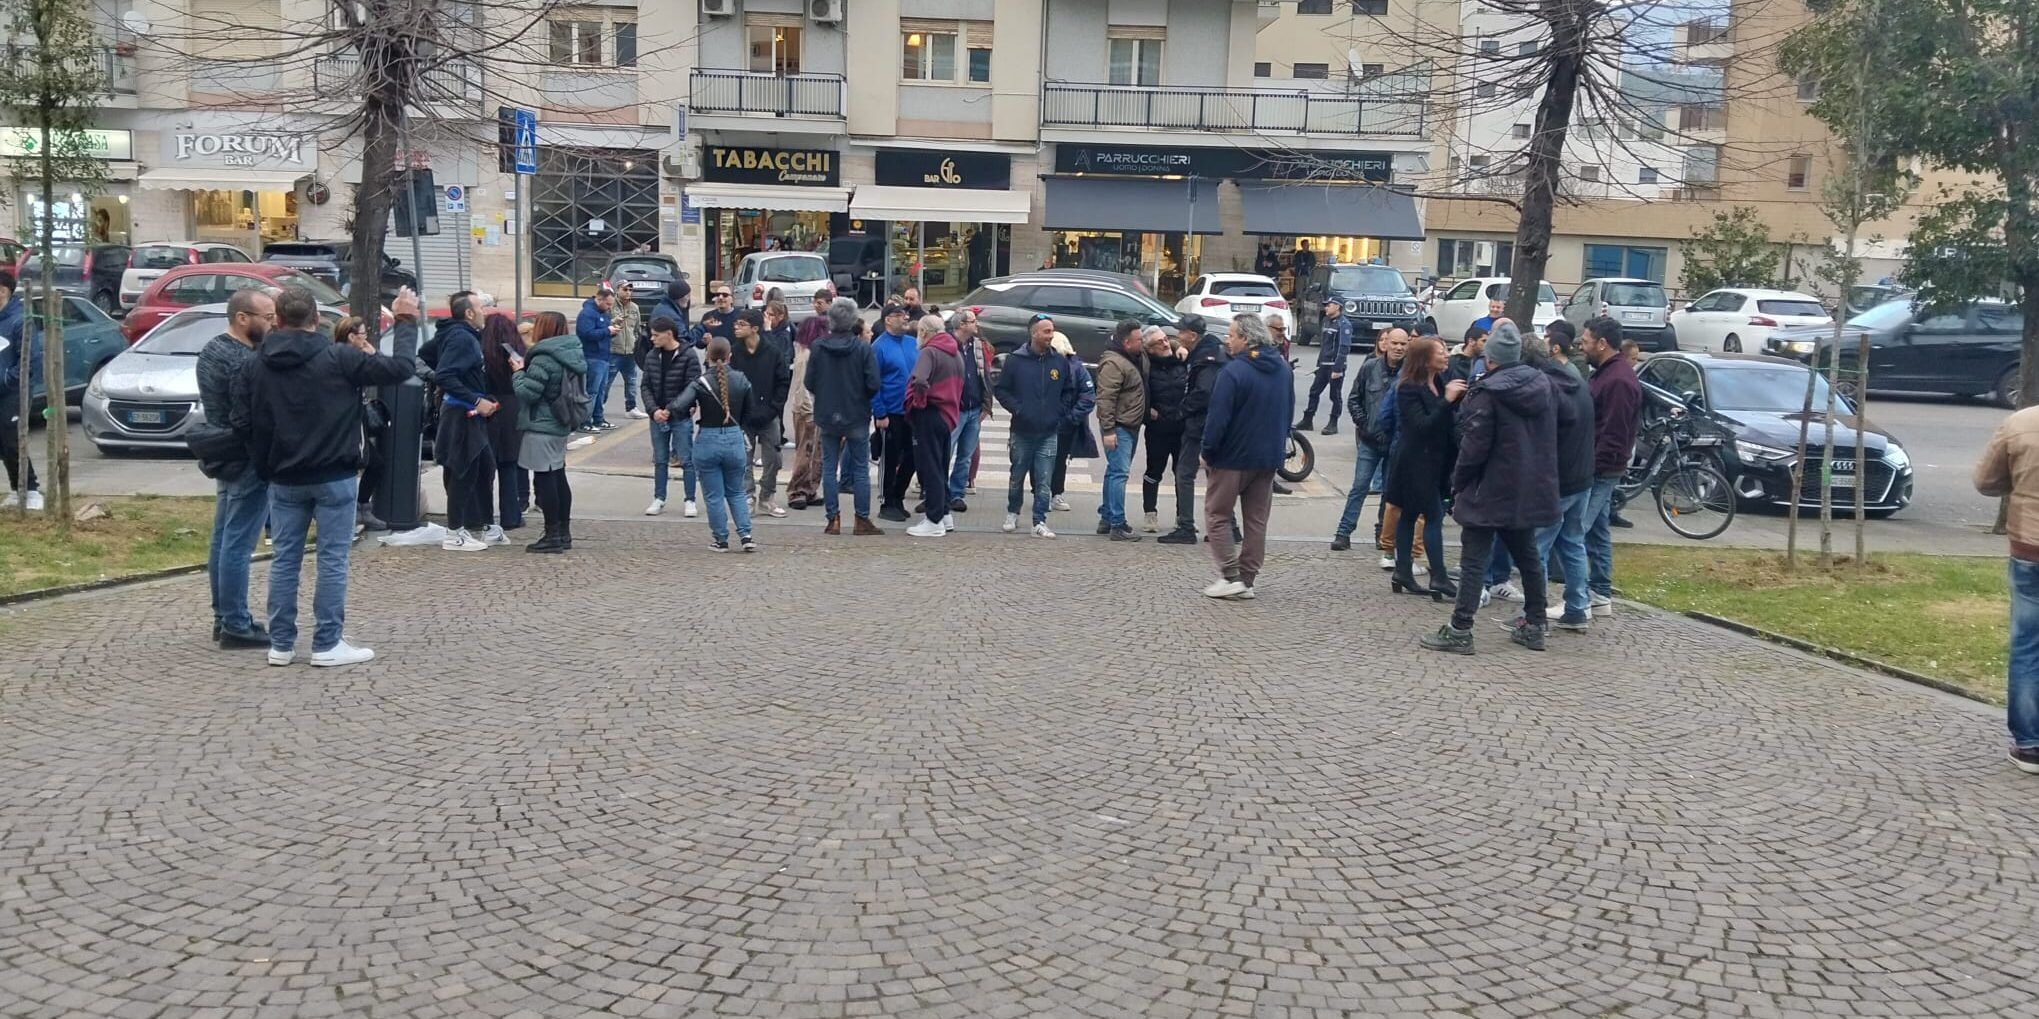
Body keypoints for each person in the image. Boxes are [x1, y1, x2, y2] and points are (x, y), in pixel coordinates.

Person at [233, 286, 413, 668]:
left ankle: (281, 643)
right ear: (316, 319)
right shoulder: (340, 358)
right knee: (331, 559)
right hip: (334, 472)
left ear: (277, 320)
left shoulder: (255, 361)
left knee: (285, 560)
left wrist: (264, 462)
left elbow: (242, 420)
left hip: (283, 475)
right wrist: (406, 319)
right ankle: (327, 642)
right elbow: (400, 370)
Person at [1422, 321, 1559, 654]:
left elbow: (1474, 446)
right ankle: (1536, 624)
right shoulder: (1542, 385)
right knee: (1527, 557)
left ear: (1491, 359)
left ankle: (1460, 629)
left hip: (1489, 487)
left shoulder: (1488, 392)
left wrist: (1459, 482)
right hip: (1527, 485)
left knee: (1473, 560)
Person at [196, 286, 276, 650]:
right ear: (242, 318)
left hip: (225, 453)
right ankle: (235, 624)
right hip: (245, 457)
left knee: (224, 538)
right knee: (237, 542)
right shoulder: (241, 359)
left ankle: (223, 616)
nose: (273, 324)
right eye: (268, 318)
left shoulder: (214, 348)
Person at [1199, 313, 1294, 600]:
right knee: (1256, 520)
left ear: (1245, 338)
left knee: (1217, 514)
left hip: (1232, 457)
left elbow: (1218, 419)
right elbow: (1288, 413)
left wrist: (1207, 451)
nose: (1227, 340)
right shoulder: (1282, 368)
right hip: (1267, 457)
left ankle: (1231, 576)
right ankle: (1248, 580)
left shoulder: (1233, 371)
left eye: (1231, 335)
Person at [1973, 407, 2039, 774]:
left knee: (2028, 644)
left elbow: (1985, 480)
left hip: (2031, 548)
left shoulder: (2021, 423)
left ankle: (2030, 744)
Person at [1526, 328, 1597, 632]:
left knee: (1536, 549)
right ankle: (1577, 608)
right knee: (1573, 544)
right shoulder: (1576, 381)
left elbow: (1542, 438)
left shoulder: (1547, 388)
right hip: (1582, 475)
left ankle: (1535, 616)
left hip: (1557, 481)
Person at [1384, 335, 1463, 598]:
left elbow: (1445, 422)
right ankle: (1438, 576)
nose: (1446, 355)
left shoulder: (1439, 382)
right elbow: (1421, 426)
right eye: (1441, 351)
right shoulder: (1408, 387)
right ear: (1425, 359)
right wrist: (1447, 400)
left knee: (1410, 514)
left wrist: (1454, 399)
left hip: (1435, 462)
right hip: (1414, 463)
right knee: (1433, 515)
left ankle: (1402, 571)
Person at [671, 336, 758, 552]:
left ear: (707, 356)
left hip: (708, 439)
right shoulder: (741, 379)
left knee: (714, 495)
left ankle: (721, 539)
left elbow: (679, 406)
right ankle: (746, 535)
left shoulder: (700, 382)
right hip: (734, 438)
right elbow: (750, 413)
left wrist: (689, 409)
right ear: (730, 356)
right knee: (737, 492)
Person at [807, 297, 885, 535]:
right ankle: (861, 519)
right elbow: (873, 383)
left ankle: (833, 519)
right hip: (856, 413)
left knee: (830, 467)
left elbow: (809, 381)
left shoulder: (819, 346)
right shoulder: (862, 348)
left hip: (827, 413)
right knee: (860, 468)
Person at [995, 314, 1077, 538]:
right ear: (1034, 333)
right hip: (1022, 430)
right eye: (1046, 331)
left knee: (1044, 479)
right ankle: (1013, 511)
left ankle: (1039, 520)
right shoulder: (1016, 360)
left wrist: (1058, 411)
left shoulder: (1058, 361)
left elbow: (1069, 390)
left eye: (1052, 331)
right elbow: (1001, 389)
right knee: (1017, 474)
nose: (1051, 335)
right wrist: (1018, 409)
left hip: (1049, 431)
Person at [512, 311, 588, 553]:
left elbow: (528, 393)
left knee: (545, 479)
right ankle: (564, 532)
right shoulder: (571, 352)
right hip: (561, 422)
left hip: (542, 424)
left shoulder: (543, 358)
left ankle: (552, 534)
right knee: (558, 476)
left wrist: (517, 372)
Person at [1581, 316, 1640, 618]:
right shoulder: (1607, 373)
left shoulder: (1617, 379)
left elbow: (1614, 431)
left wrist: (1593, 465)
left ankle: (1577, 599)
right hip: (1601, 463)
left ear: (1602, 343)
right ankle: (1600, 592)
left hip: (1601, 467)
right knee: (1598, 530)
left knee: (1575, 530)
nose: (1582, 345)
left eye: (1586, 341)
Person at [434, 291, 502, 552]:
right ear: (469, 313)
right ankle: (454, 533)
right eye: (481, 308)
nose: (485, 312)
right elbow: (445, 374)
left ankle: (487, 527)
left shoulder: (457, 334)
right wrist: (475, 400)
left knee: (485, 467)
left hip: (467, 413)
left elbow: (431, 357)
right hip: (461, 415)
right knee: (463, 470)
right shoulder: (462, 338)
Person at [1331, 327, 1407, 553]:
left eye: (1403, 344)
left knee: (1389, 492)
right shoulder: (1369, 367)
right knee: (1359, 487)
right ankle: (1343, 532)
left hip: (1395, 442)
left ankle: (1382, 533)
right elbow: (1354, 399)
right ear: (1386, 344)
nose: (1398, 348)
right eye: (1395, 343)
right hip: (1370, 440)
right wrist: (1364, 425)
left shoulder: (1411, 372)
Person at [1158, 315, 1227, 545]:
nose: (1178, 336)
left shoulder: (1207, 359)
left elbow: (1203, 393)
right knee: (1215, 476)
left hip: (1200, 425)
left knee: (1185, 474)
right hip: (1210, 423)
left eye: (1181, 332)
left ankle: (1186, 527)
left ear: (1193, 335)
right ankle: (1230, 528)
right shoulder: (1210, 350)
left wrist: (1182, 411)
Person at [904, 314, 964, 538]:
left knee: (929, 467)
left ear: (924, 332)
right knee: (940, 465)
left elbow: (919, 379)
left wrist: (918, 402)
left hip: (929, 413)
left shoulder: (929, 352)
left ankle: (934, 519)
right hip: (947, 415)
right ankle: (944, 513)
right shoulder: (955, 352)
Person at [727, 309, 791, 517]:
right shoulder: (734, 353)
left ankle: (767, 496)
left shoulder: (773, 351)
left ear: (755, 328)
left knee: (773, 457)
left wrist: (773, 408)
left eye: (741, 324)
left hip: (769, 414)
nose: (736, 327)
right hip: (744, 416)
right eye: (736, 324)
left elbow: (783, 382)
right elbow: (729, 382)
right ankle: (748, 496)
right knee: (743, 459)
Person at [640, 316, 701, 516]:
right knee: (660, 459)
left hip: (680, 416)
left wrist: (671, 409)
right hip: (657, 415)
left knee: (686, 459)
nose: (652, 338)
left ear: (669, 334)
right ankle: (659, 497)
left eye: (656, 335)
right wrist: (654, 410)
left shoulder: (688, 355)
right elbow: (645, 386)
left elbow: (692, 387)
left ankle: (690, 499)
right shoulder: (651, 356)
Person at [1093, 318, 1148, 541]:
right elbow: (1105, 399)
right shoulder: (1114, 364)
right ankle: (1117, 523)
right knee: (1119, 473)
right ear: (1126, 342)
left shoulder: (1133, 356)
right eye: (1139, 339)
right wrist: (1108, 430)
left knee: (1113, 471)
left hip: (1130, 424)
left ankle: (1107, 517)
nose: (1142, 343)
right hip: (1120, 426)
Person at [479, 312, 529, 530]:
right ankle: (511, 516)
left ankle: (484, 516)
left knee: (485, 469)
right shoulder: (518, 352)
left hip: (487, 406)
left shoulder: (482, 352)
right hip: (512, 409)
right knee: (509, 465)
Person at [785, 288, 833, 509]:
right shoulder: (807, 355)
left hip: (813, 408)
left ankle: (810, 488)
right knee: (806, 451)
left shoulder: (809, 352)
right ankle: (797, 490)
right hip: (808, 410)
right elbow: (803, 388)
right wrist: (809, 411)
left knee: (816, 452)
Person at [870, 302, 919, 521]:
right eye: (899, 314)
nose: (905, 317)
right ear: (888, 319)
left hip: (913, 410)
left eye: (906, 314)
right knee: (889, 458)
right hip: (890, 412)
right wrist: (880, 413)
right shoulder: (879, 347)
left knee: (913, 456)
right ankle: (886, 501)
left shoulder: (912, 343)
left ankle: (898, 494)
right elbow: (873, 383)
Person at [945, 308, 995, 516]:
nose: (977, 325)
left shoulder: (977, 346)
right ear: (962, 325)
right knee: (945, 452)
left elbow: (985, 375)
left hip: (974, 408)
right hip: (954, 409)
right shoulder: (948, 345)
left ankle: (957, 493)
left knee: (965, 455)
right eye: (973, 321)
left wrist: (986, 404)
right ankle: (940, 492)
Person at [1140, 325, 1188, 533]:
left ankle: (1182, 516)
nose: (1165, 343)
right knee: (1154, 471)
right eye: (1159, 342)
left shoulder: (1181, 360)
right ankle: (1150, 513)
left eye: (1165, 339)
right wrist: (1146, 410)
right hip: (1158, 428)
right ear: (1150, 349)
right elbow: (1137, 391)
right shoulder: (1145, 366)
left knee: (1182, 473)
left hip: (1181, 426)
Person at [0, 270, 39, 511]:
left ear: (3, 291)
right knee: (2, 443)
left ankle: (31, 490)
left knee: (12, 439)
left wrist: (7, 379)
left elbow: (29, 361)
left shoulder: (20, 320)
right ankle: (16, 490)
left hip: (14, 391)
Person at [1047, 331, 1097, 512]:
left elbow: (1088, 396)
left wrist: (1070, 419)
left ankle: (1055, 493)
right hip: (1046, 423)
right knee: (1043, 460)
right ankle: (1043, 493)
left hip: (1064, 425)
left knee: (1059, 460)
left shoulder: (1077, 369)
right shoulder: (1043, 363)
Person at [1296, 297, 1352, 436]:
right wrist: (1319, 363)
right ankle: (1308, 419)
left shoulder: (1344, 324)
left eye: (1329, 305)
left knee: (1335, 395)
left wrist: (1337, 368)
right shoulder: (1327, 321)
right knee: (1314, 391)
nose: (1326, 308)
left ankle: (1333, 423)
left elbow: (1343, 347)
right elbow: (1324, 345)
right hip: (1324, 365)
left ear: (1338, 307)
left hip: (1334, 366)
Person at [574, 287, 618, 430]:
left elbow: (602, 332)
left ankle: (598, 418)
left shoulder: (603, 313)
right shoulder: (587, 314)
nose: (609, 307)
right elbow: (586, 334)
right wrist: (607, 330)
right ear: (599, 300)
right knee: (591, 391)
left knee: (601, 390)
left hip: (604, 356)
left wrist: (612, 330)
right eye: (608, 304)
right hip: (592, 356)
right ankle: (584, 421)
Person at [604, 282, 646, 420]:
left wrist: (637, 345)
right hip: (614, 350)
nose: (628, 292)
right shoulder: (611, 305)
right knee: (606, 381)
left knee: (631, 381)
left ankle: (631, 407)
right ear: (617, 290)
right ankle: (600, 406)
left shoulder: (634, 307)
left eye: (630, 290)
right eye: (625, 289)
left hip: (630, 351)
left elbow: (637, 329)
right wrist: (612, 322)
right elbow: (603, 325)